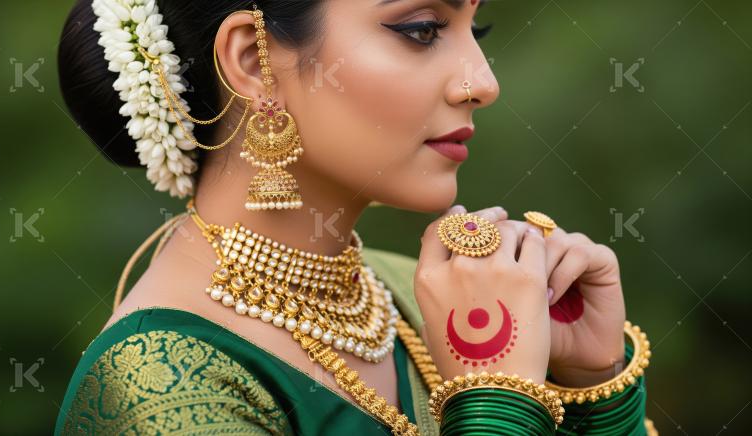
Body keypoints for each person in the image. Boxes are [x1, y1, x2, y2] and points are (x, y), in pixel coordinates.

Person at [54, 0, 656, 434]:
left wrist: (589, 388)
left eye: (479, 27)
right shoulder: (161, 385)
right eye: (423, 30)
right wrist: (496, 398)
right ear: (254, 62)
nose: (483, 82)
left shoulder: (421, 296)